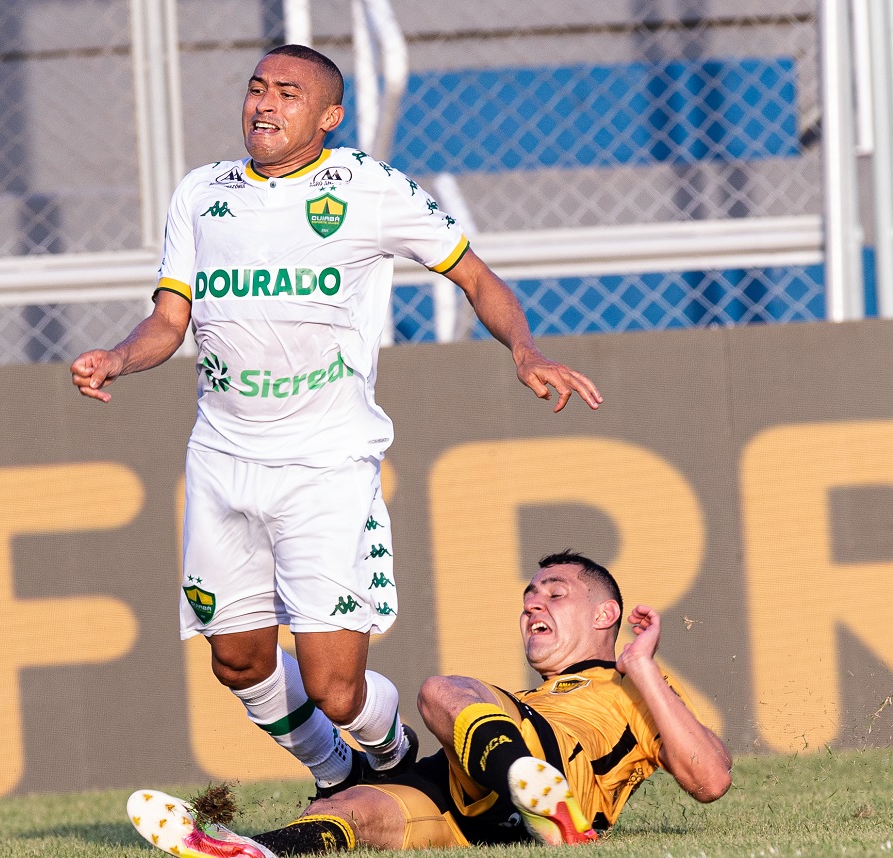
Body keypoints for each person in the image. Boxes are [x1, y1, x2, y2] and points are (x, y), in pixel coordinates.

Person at [72, 44, 603, 797]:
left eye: (288, 94)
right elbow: (168, 321)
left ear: (328, 116)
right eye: (257, 89)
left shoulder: (369, 188)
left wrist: (523, 350)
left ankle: (395, 763)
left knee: (337, 692)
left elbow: (476, 276)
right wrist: (118, 360)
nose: (264, 105)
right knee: (239, 663)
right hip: (223, 460)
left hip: (325, 466)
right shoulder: (200, 193)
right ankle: (335, 775)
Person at [127, 552, 732, 854]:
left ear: (608, 615)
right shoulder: (521, 701)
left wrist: (643, 668)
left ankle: (544, 798)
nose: (533, 604)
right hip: (478, 803)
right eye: (528, 595)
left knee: (442, 691)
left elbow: (710, 779)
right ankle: (259, 851)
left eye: (555, 591)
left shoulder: (631, 691)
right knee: (355, 806)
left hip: (555, 765)